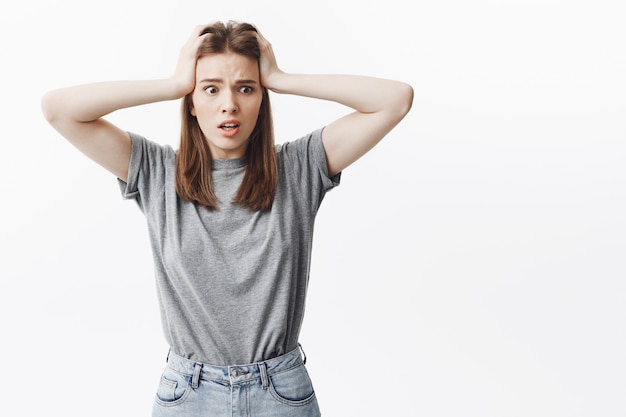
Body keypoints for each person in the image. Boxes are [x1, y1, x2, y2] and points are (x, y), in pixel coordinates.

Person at [41, 20, 413, 417]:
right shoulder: (156, 171)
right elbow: (58, 110)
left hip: (280, 393)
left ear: (262, 99)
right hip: (188, 394)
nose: (229, 104)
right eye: (211, 88)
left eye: (246, 88)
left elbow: (395, 99)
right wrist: (172, 84)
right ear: (192, 101)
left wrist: (280, 77)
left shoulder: (299, 167)